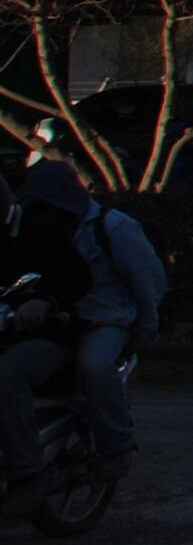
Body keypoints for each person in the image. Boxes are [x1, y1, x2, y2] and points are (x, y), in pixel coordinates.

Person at [13, 162, 152, 470]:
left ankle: (116, 447)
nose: (42, 212)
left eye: (47, 205)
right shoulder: (39, 232)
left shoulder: (114, 227)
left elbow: (147, 280)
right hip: (58, 320)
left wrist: (146, 328)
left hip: (104, 320)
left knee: (94, 364)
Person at [0, 174, 96, 510]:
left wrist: (46, 301)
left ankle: (28, 473)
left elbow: (77, 276)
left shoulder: (39, 230)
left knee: (5, 376)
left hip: (43, 338)